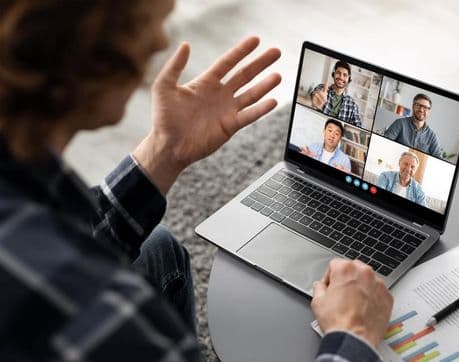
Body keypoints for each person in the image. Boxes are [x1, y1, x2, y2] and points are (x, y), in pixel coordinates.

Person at [0, 1, 393, 361]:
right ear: (89, 49)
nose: (158, 42)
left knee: (158, 247)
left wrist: (164, 150)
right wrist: (351, 337)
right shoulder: (112, 322)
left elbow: (64, 232)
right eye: (145, 24)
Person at [383, 93, 443, 158]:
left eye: (425, 107)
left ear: (429, 111)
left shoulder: (432, 136)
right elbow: (385, 143)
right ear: (413, 106)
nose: (421, 110)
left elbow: (438, 158)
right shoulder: (399, 123)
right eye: (418, 105)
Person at [310, 60, 362, 128]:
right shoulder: (322, 88)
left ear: (348, 79)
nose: (341, 77)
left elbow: (358, 127)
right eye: (338, 73)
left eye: (345, 75)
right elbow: (313, 96)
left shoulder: (352, 105)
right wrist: (314, 102)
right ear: (333, 74)